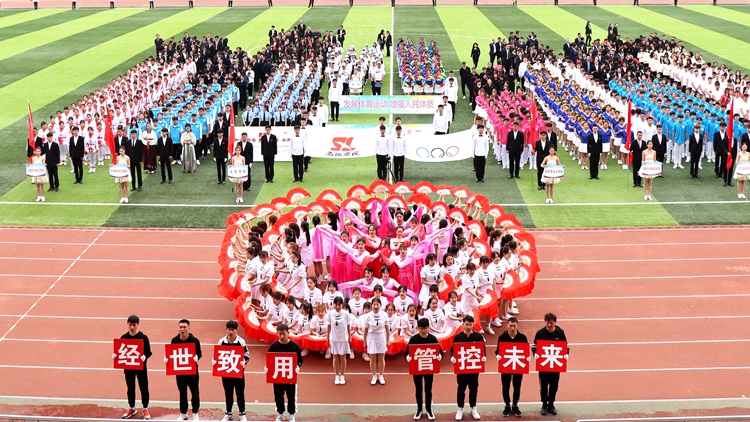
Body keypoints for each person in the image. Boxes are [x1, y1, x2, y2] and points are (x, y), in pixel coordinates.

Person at [532, 313, 569, 416]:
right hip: (544, 366)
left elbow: (566, 346)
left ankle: (551, 404)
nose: (549, 325)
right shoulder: (540, 333)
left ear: (555, 323)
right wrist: (535, 354)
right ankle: (544, 405)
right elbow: (534, 346)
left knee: (554, 386)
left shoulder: (560, 333)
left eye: (551, 323)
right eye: (547, 322)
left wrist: (566, 354)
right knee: (543, 386)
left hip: (555, 366)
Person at [450, 315, 485, 421]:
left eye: (470, 324)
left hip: (473, 367)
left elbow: (482, 349)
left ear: (473, 324)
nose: (468, 326)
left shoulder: (478, 336)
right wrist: (452, 357)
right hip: (462, 368)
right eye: (466, 324)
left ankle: (472, 407)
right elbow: (453, 349)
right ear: (463, 324)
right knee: (461, 388)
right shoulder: (458, 337)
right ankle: (460, 408)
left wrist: (484, 356)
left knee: (473, 388)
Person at [406, 317, 441, 421]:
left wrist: (439, 357)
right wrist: (408, 357)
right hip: (417, 369)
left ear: (428, 328)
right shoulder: (413, 339)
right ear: (418, 328)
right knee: (418, 389)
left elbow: (439, 351)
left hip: (429, 368)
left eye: (425, 328)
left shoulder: (433, 339)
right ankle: (419, 409)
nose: (423, 330)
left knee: (428, 389)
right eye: (421, 328)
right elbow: (407, 352)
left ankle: (429, 409)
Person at [266, 324, 303, 422]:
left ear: (288, 333)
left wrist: (297, 366)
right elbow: (269, 360)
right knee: (278, 395)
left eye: (284, 334)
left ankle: (291, 414)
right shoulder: (273, 347)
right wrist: (267, 368)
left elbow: (300, 360)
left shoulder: (294, 346)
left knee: (291, 395)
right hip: (278, 376)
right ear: (277, 333)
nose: (282, 336)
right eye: (280, 334)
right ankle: (280, 413)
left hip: (290, 376)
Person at [119, 315, 152, 420]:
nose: (132, 327)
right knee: (130, 388)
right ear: (127, 324)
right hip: (129, 368)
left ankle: (145, 408)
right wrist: (116, 355)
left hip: (141, 368)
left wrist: (144, 356)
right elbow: (121, 351)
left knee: (144, 388)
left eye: (134, 325)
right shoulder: (124, 337)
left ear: (138, 325)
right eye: (130, 325)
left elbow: (149, 352)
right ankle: (132, 407)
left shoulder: (143, 338)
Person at [169, 319, 202, 421]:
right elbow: (172, 353)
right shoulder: (174, 340)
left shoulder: (195, 341)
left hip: (192, 372)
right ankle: (183, 413)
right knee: (182, 393)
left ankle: (195, 412)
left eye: (184, 327)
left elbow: (199, 353)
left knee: (195, 393)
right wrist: (168, 359)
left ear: (188, 328)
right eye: (180, 327)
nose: (182, 329)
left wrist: (197, 357)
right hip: (180, 372)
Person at [218, 320, 250, 422]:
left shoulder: (241, 342)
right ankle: (228, 413)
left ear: (236, 330)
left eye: (233, 330)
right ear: (226, 330)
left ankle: (242, 413)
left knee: (240, 393)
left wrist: (244, 362)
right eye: (229, 329)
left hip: (238, 372)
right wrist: (215, 361)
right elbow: (218, 354)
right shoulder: (221, 341)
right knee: (228, 393)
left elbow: (247, 355)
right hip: (226, 373)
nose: (231, 332)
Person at [495, 317, 527, 417]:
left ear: (517, 326)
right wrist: (498, 356)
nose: (512, 328)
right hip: (506, 366)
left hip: (518, 365)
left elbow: (525, 351)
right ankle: (507, 405)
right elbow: (498, 350)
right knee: (506, 386)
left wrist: (527, 357)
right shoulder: (502, 337)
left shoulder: (522, 338)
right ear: (507, 326)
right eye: (510, 326)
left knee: (517, 386)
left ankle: (515, 405)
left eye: (514, 326)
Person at [326, 296, 352, 385]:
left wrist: (349, 336)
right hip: (334, 338)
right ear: (333, 304)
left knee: (343, 357)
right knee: (335, 357)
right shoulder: (330, 314)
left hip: (343, 338)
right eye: (336, 305)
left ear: (342, 305)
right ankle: (337, 375)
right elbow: (329, 325)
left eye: (339, 305)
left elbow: (348, 325)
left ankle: (342, 375)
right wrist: (327, 336)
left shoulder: (346, 314)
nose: (337, 307)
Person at [363, 297, 390, 385]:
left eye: (377, 305)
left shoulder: (384, 315)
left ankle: (381, 375)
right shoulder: (368, 316)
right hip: (371, 337)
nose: (375, 306)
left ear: (380, 306)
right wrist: (364, 341)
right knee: (373, 358)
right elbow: (366, 330)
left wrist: (388, 340)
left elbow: (387, 329)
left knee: (381, 358)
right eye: (374, 305)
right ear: (371, 306)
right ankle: (374, 376)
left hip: (381, 336)